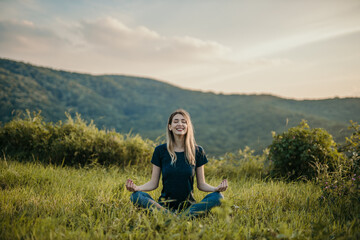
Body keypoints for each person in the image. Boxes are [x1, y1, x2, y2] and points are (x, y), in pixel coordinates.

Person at [125, 109, 228, 217]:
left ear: (188, 126)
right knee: (136, 196)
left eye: (184, 121)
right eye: (176, 121)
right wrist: (137, 188)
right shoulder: (160, 151)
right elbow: (153, 183)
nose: (180, 124)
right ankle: (175, 217)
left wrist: (216, 189)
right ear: (170, 126)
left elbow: (201, 185)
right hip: (164, 206)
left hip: (189, 207)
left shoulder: (197, 151)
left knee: (218, 197)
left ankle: (175, 217)